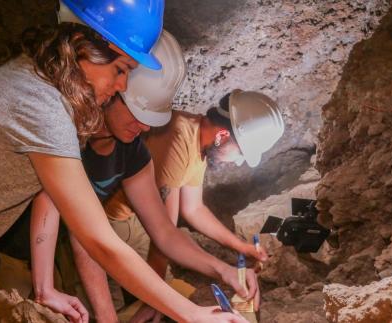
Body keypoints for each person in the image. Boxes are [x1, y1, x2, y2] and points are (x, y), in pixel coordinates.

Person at [0, 1, 246, 322]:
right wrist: (192, 314)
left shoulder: (38, 89)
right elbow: (97, 240)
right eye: (121, 69)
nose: (122, 82)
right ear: (83, 47)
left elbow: (48, 196)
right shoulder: (41, 107)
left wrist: (45, 288)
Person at [30, 31, 260, 323]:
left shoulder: (133, 151)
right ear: (113, 92)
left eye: (151, 118)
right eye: (139, 113)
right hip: (24, 243)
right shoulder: (69, 137)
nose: (144, 127)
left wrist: (224, 270)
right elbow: (85, 235)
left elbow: (164, 232)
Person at [104, 89, 286, 321]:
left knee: (163, 295)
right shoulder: (177, 138)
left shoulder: (198, 142)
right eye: (240, 152)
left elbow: (193, 209)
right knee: (109, 310)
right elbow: (164, 236)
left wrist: (242, 248)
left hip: (135, 223)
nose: (238, 161)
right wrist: (157, 300)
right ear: (222, 135)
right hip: (104, 221)